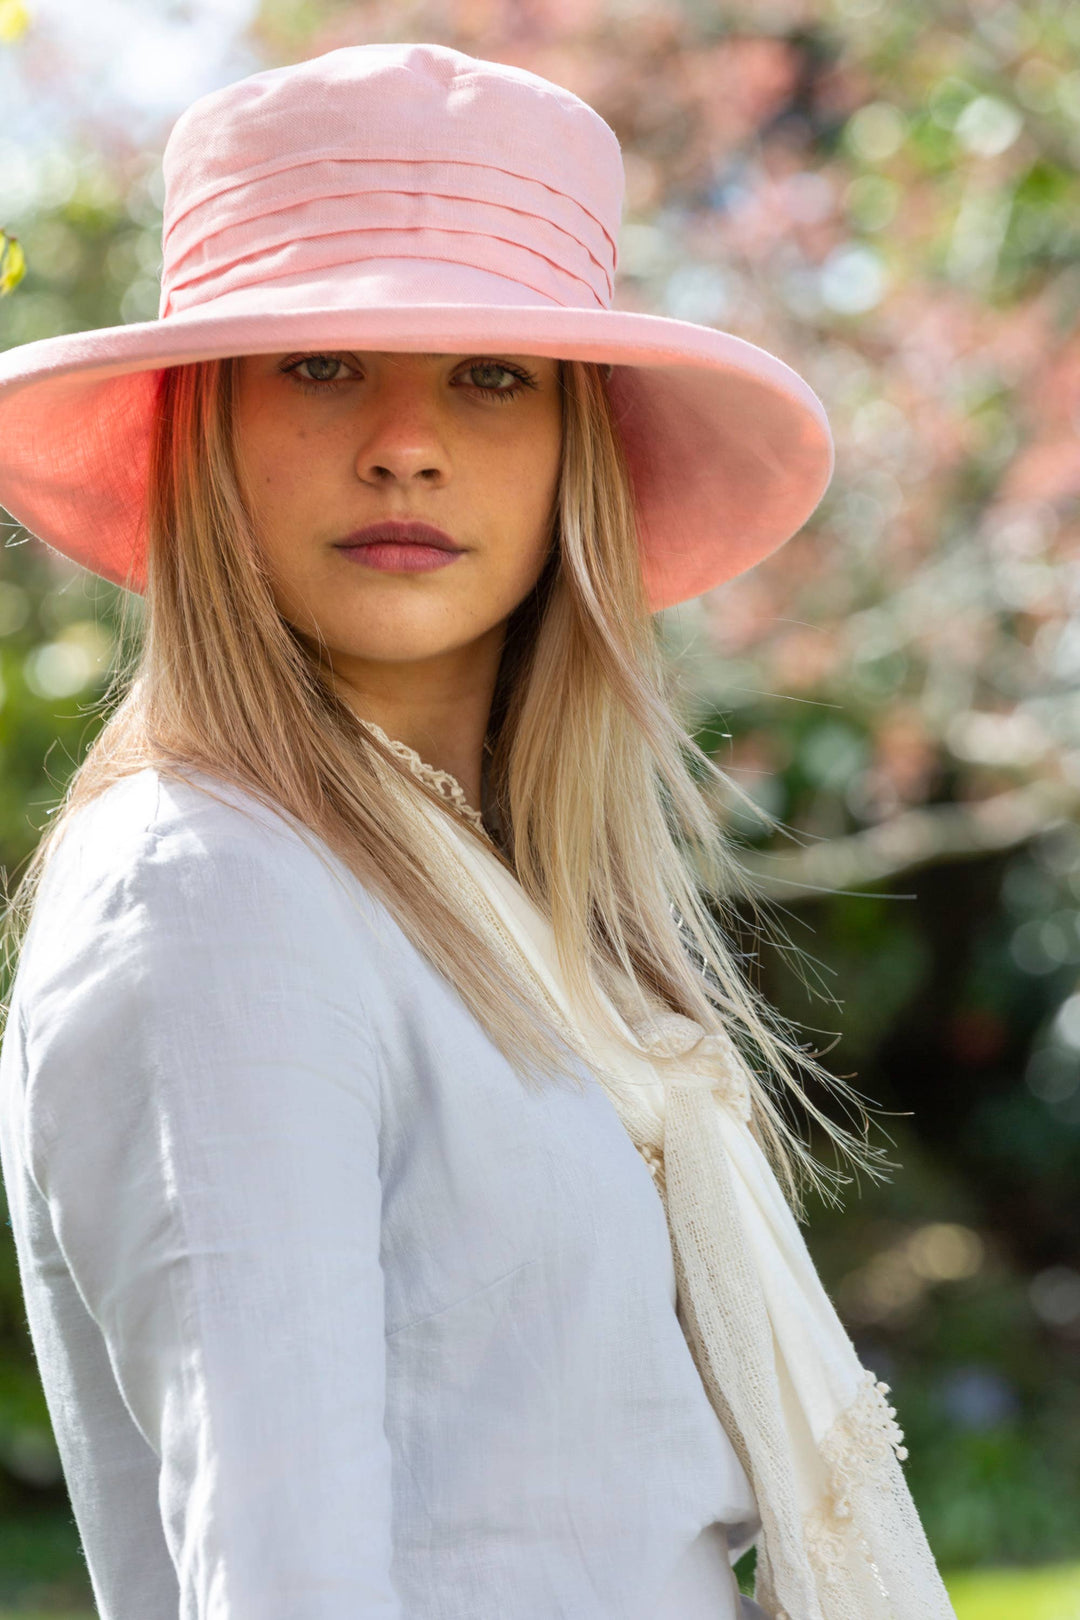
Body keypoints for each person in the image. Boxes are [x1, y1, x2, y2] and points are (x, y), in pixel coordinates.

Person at [0, 41, 957, 1620]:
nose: (405, 441)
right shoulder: (212, 888)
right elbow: (286, 1577)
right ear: (199, 431)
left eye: (491, 375)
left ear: (577, 446)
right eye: (319, 366)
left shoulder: (517, 904)